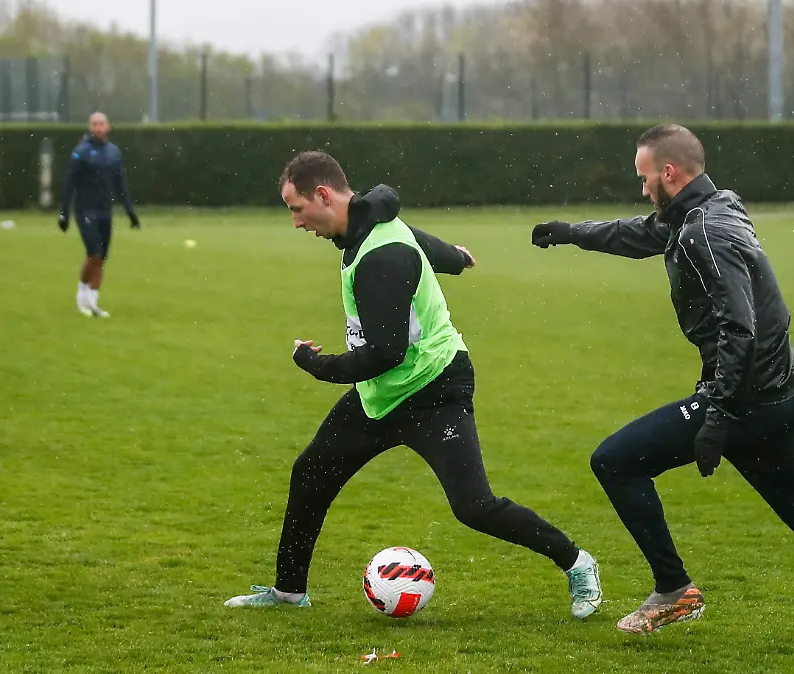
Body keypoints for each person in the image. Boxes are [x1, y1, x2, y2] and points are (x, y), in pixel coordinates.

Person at [530, 125, 794, 638]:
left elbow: (740, 327)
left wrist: (720, 413)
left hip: (748, 399)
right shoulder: (715, 207)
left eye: (644, 178)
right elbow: (640, 234)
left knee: (615, 461)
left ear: (669, 173)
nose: (642, 188)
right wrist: (573, 232)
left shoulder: (702, 233)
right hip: (782, 390)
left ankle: (673, 589)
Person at [224, 151, 603, 618]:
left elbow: (385, 353)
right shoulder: (372, 224)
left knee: (474, 506)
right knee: (311, 472)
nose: (296, 222)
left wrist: (314, 364)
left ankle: (577, 562)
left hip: (433, 390)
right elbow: (421, 242)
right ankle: (288, 592)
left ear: (322, 195)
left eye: (296, 209)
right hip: (382, 394)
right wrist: (455, 259)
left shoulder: (381, 255)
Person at [57, 111, 140, 318]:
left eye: (102, 124)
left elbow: (121, 184)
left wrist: (130, 212)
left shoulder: (114, 152)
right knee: (94, 253)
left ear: (108, 127)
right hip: (85, 210)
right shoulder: (81, 152)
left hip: (105, 211)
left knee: (101, 257)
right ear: (90, 127)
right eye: (95, 124)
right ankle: (81, 294)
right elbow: (69, 183)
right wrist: (64, 213)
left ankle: (92, 303)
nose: (98, 128)